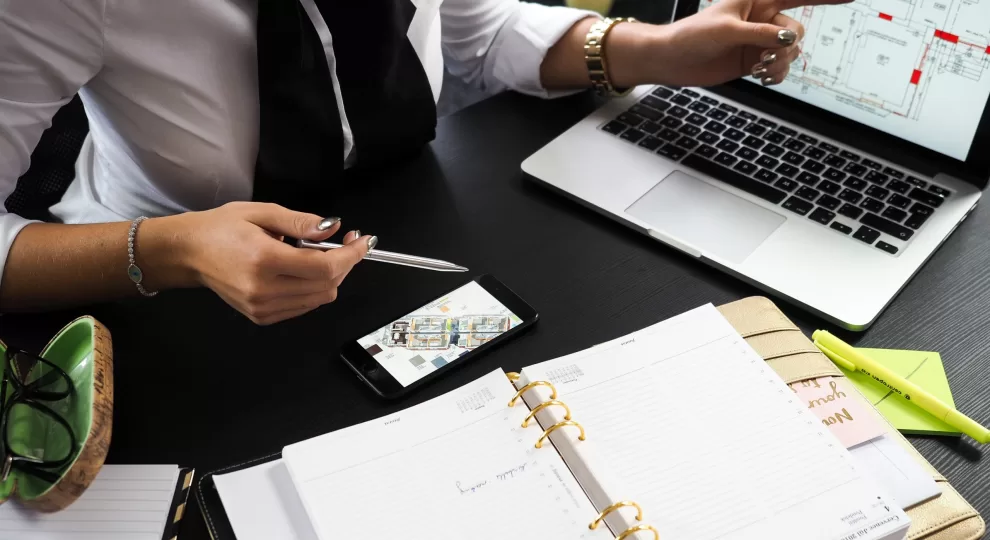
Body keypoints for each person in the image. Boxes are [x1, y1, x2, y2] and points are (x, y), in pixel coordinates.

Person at [0, 0, 844, 325]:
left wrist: (644, 50)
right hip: (165, 308)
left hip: (405, 223)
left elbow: (467, 32)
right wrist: (171, 250)